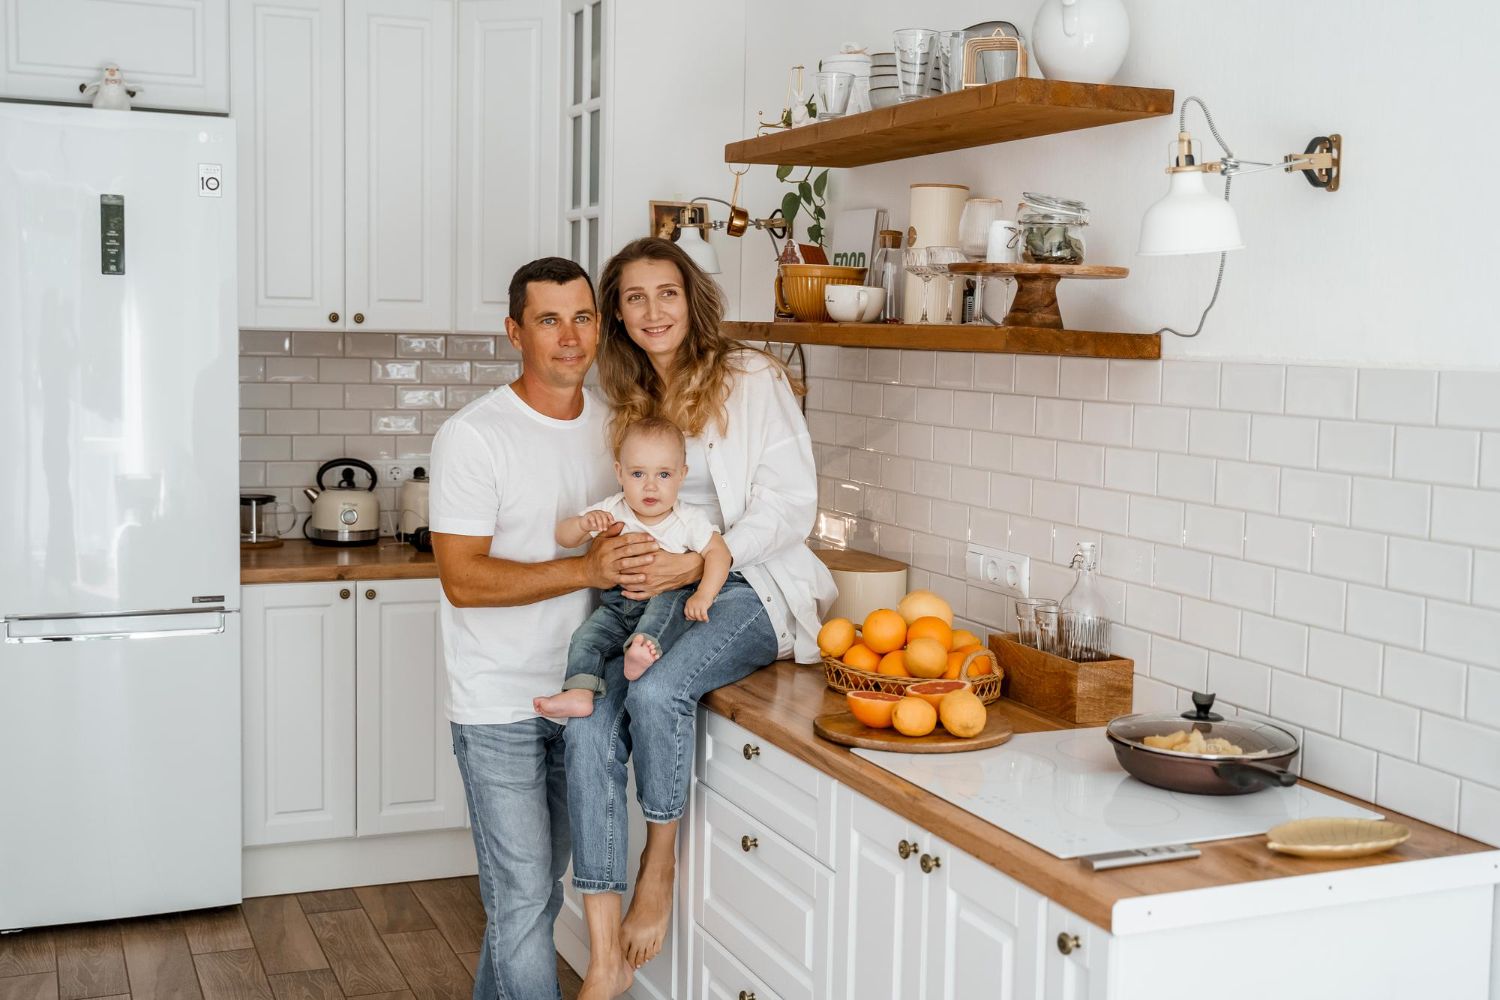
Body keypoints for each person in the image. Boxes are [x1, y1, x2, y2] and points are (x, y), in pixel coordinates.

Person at [565, 237, 837, 1000]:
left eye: (667, 293)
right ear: (617, 314)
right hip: (646, 597)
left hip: (749, 584)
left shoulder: (751, 376)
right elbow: (612, 505)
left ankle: (659, 862)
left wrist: (700, 565)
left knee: (656, 694)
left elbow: (791, 503)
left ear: (693, 300)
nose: (653, 312)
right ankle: (602, 953)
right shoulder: (619, 395)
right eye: (634, 298)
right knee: (588, 722)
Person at [427, 257, 687, 1000]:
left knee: (538, 898)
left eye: (581, 318)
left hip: (587, 704)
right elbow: (463, 579)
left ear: (599, 329)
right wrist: (585, 570)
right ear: (515, 332)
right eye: (548, 320)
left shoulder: (618, 430)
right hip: (499, 704)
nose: (569, 337)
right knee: (521, 901)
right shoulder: (475, 437)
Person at [533, 416, 733, 719]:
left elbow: (719, 552)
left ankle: (643, 648)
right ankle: (579, 691)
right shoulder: (613, 510)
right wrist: (582, 524)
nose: (650, 486)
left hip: (664, 601)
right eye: (638, 473)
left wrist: (704, 594)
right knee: (586, 637)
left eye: (664, 475)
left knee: (663, 612)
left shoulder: (688, 519)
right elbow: (564, 536)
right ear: (620, 473)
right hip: (616, 605)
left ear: (682, 475)